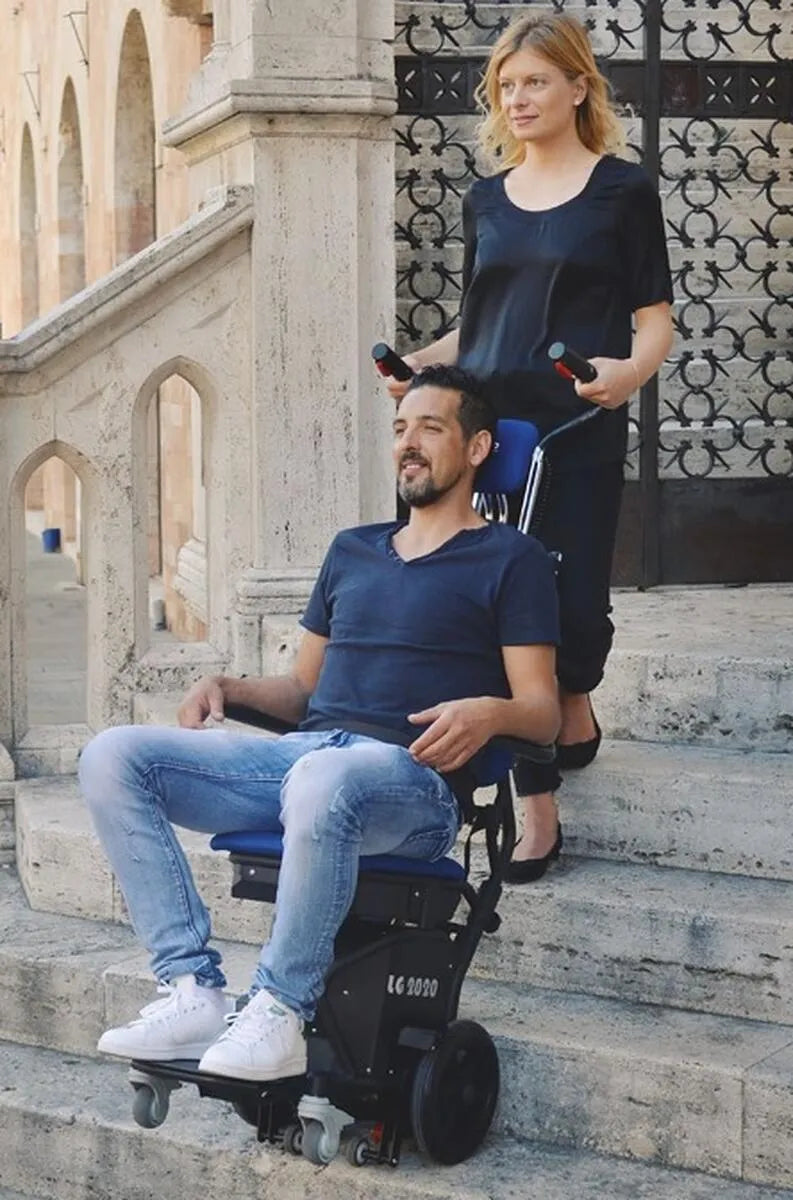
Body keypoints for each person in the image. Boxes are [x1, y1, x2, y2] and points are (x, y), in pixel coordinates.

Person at [79, 365, 560, 1083]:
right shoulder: (351, 549)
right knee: (114, 756)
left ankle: (278, 1007)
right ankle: (191, 989)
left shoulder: (511, 559)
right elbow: (303, 692)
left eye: (430, 428)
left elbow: (543, 714)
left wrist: (488, 712)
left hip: (414, 783)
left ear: (479, 447)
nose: (408, 443)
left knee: (323, 776)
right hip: (308, 759)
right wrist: (228, 686)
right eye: (400, 429)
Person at [384, 11, 674, 884]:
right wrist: (418, 367)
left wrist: (627, 375)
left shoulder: (622, 191)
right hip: (485, 428)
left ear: (578, 88)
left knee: (568, 602)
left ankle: (572, 699)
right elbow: (478, 327)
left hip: (573, 424)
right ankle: (535, 803)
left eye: (535, 82)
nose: (516, 98)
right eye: (505, 86)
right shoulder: (484, 199)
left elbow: (653, 322)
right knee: (497, 607)